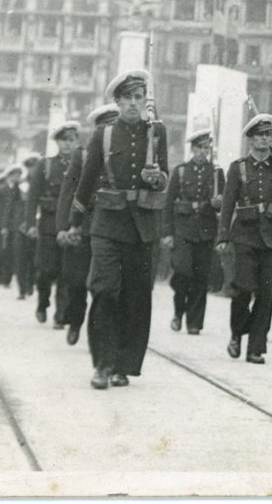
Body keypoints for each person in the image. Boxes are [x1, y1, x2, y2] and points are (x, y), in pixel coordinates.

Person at [71, 69, 169, 389]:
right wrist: (75, 220)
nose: (132, 104)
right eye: (126, 98)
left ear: (145, 101)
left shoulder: (157, 133)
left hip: (142, 225)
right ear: (117, 101)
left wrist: (157, 178)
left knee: (136, 296)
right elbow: (86, 180)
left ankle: (123, 364)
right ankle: (101, 362)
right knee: (103, 290)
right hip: (108, 224)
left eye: (138, 97)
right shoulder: (104, 135)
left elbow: (164, 176)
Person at [217, 113, 272, 364]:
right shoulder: (239, 167)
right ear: (251, 139)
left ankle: (256, 347)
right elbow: (228, 205)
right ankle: (237, 334)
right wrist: (222, 237)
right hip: (245, 236)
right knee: (242, 290)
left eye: (268, 134)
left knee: (265, 294)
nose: (265, 139)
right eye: (260, 135)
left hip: (271, 237)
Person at [55, 103, 118, 346]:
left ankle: (98, 333)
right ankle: (74, 321)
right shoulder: (82, 155)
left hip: (110, 225)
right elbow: (67, 193)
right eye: (105, 126)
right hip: (82, 225)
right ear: (97, 130)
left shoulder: (122, 155)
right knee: (77, 281)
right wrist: (63, 227)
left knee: (103, 286)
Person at [161, 128, 224, 335]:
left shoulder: (216, 173)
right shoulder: (180, 171)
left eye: (206, 148)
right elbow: (168, 204)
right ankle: (179, 312)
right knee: (182, 272)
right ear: (192, 148)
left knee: (200, 276)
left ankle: (195, 322)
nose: (202, 152)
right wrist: (167, 233)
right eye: (199, 148)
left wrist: (218, 203)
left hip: (205, 230)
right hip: (183, 230)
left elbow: (223, 204)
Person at [25, 122, 79, 328]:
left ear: (76, 142)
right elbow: (32, 198)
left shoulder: (80, 166)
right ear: (57, 142)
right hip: (47, 225)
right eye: (64, 140)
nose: (67, 144)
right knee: (46, 270)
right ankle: (42, 302)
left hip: (69, 225)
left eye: (71, 140)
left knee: (66, 272)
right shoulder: (45, 165)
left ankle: (60, 314)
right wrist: (30, 223)